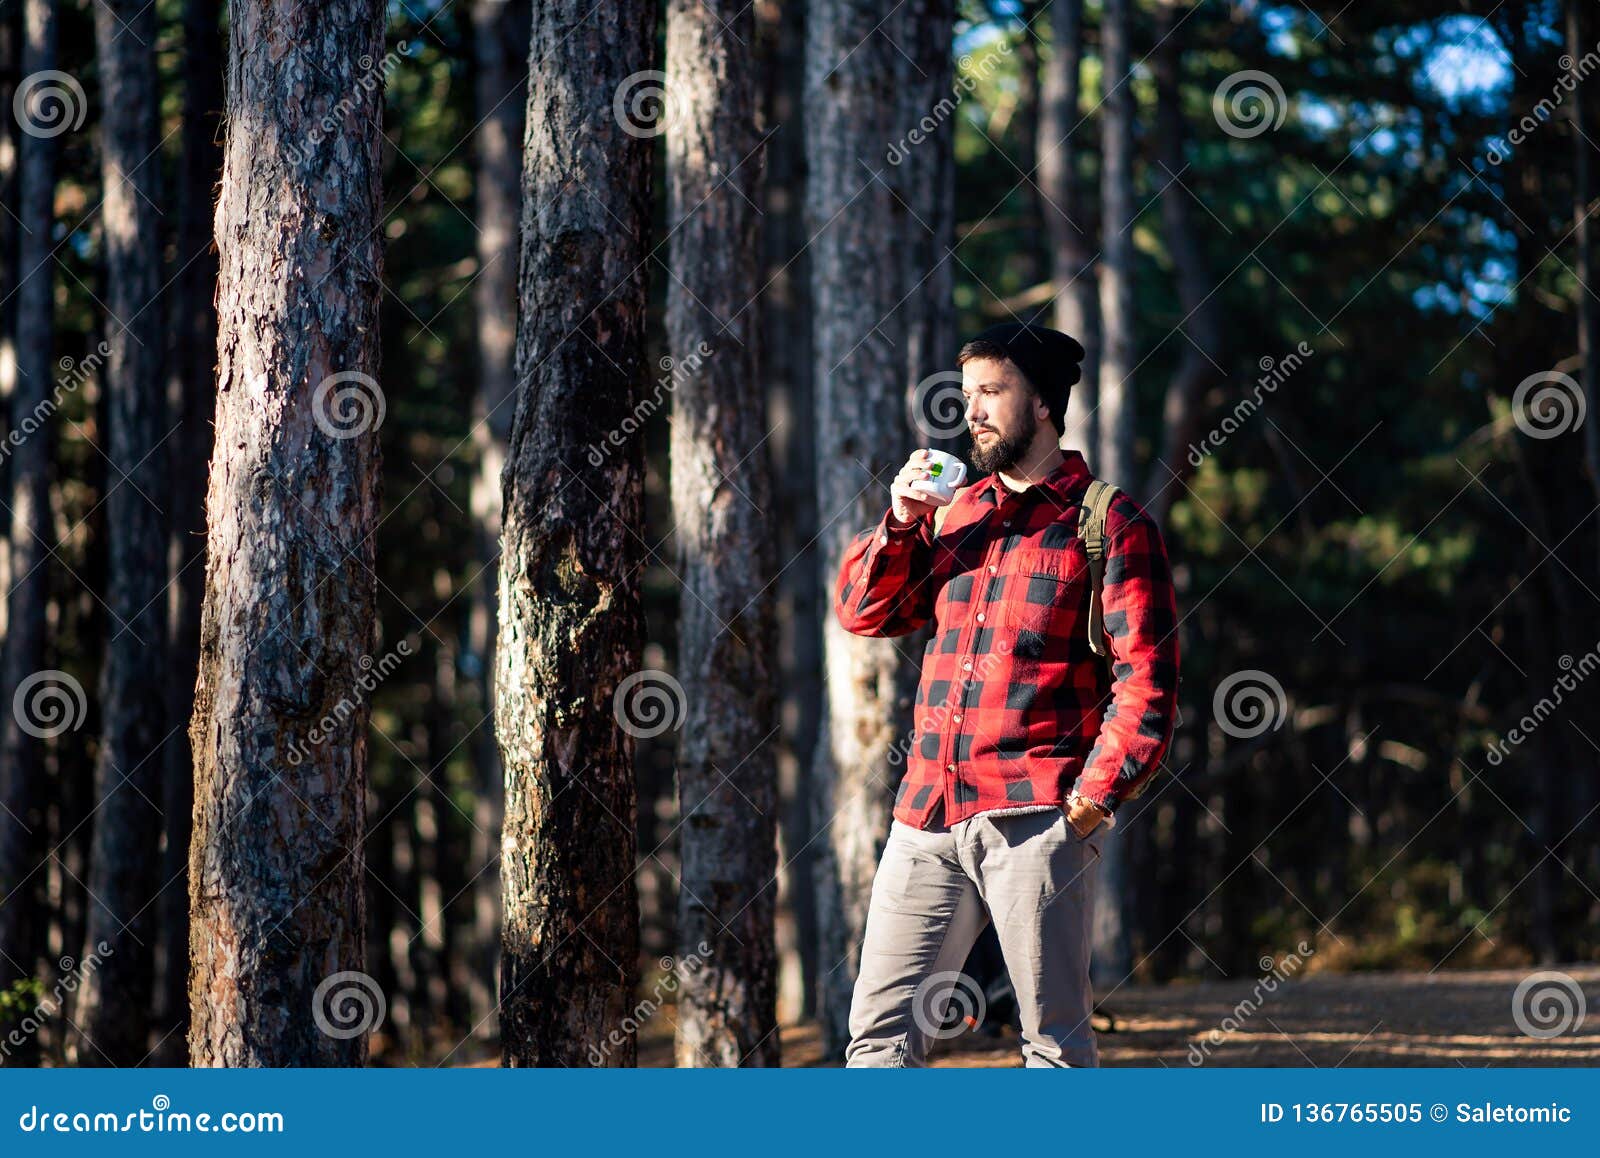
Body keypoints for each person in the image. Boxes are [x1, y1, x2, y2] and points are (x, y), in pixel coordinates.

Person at [833, 321, 1180, 1067]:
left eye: (993, 392)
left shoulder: (1108, 523)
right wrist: (899, 523)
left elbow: (1148, 678)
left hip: (1036, 817)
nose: (974, 411)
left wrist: (1088, 802)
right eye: (967, 395)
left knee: (1051, 1047)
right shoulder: (956, 514)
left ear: (1044, 405)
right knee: (878, 1041)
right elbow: (867, 613)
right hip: (926, 811)